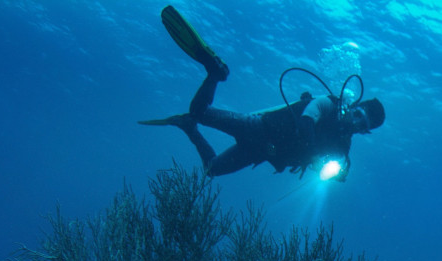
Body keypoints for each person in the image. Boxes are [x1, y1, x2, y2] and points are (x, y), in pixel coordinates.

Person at [139, 6, 385, 180]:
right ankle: (215, 72)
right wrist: (312, 147)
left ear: (365, 130)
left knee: (211, 170)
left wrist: (339, 173)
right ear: (354, 107)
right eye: (358, 114)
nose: (356, 122)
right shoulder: (329, 105)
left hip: (261, 152)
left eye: (362, 123)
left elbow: (325, 168)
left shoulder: (342, 148)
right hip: (257, 128)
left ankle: (189, 128)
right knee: (200, 111)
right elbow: (307, 118)